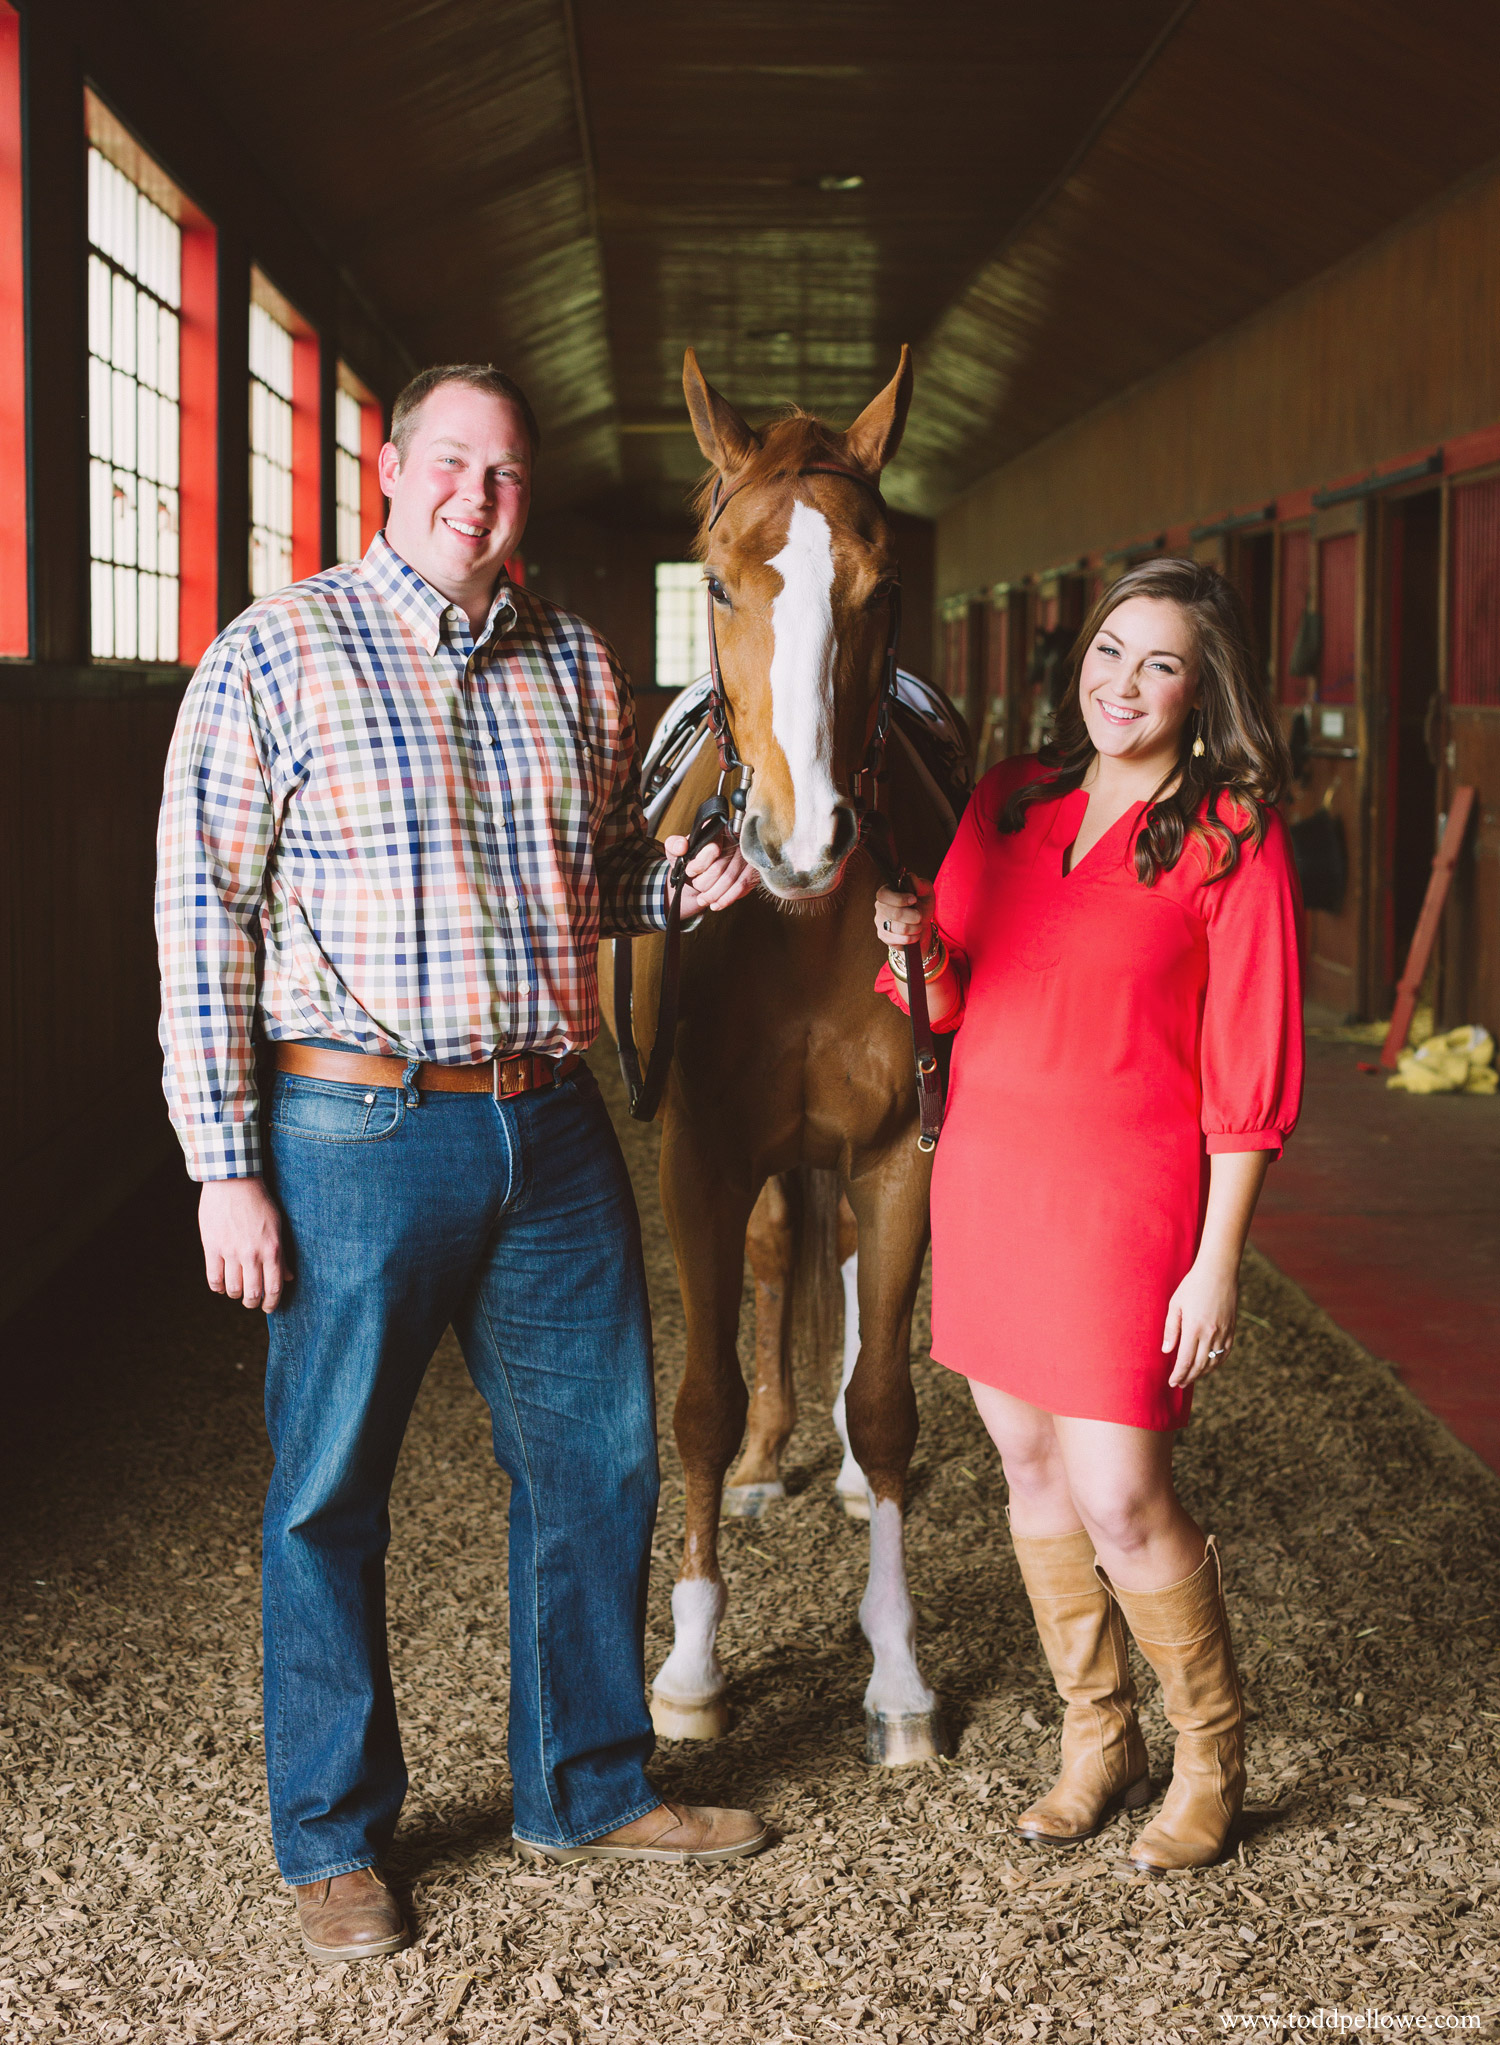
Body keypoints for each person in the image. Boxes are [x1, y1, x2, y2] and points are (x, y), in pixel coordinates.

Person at [156, 363, 768, 1967]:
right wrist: (223, 1163)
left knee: (602, 1462)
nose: (475, 498)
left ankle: (584, 1781)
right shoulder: (272, 654)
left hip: (549, 1119)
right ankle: (335, 1837)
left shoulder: (573, 659)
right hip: (352, 1128)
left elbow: (596, 871)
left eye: (504, 476)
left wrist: (672, 885)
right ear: (389, 466)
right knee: (327, 1493)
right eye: (451, 463)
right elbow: (201, 918)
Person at [874, 558, 1302, 1874]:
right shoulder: (1011, 798)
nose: (1123, 683)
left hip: (1128, 1199)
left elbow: (1254, 1071)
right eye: (1111, 651)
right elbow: (941, 997)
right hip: (994, 1176)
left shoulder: (1231, 830)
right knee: (1029, 1463)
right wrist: (910, 940)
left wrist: (1216, 1258)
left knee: (1122, 1489)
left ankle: (1210, 1755)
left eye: (1159, 662)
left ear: (1201, 685)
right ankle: (1093, 1734)